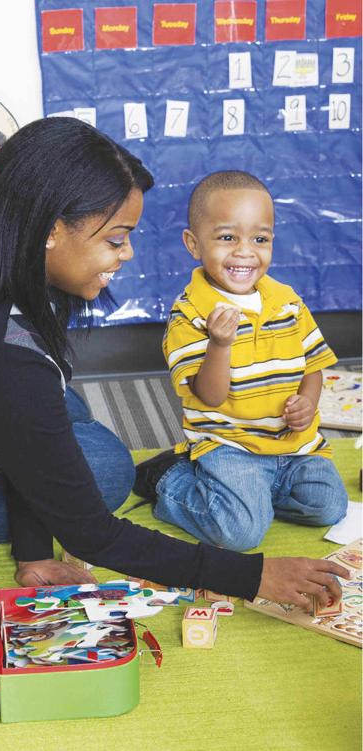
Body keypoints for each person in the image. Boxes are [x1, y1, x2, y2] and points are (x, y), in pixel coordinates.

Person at [0, 120, 348, 610]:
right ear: (51, 230)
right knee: (106, 467)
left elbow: (14, 402)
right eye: (116, 238)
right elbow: (92, 534)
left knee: (64, 412)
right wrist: (254, 574)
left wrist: (33, 550)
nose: (127, 254)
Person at [134, 170, 348, 553]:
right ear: (193, 243)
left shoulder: (287, 301)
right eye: (227, 237)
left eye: (260, 239)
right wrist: (219, 344)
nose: (245, 251)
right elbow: (210, 397)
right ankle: (169, 480)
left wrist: (308, 403)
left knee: (330, 506)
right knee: (241, 534)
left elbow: (313, 366)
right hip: (230, 446)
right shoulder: (191, 315)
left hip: (291, 446)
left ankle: (253, 497)